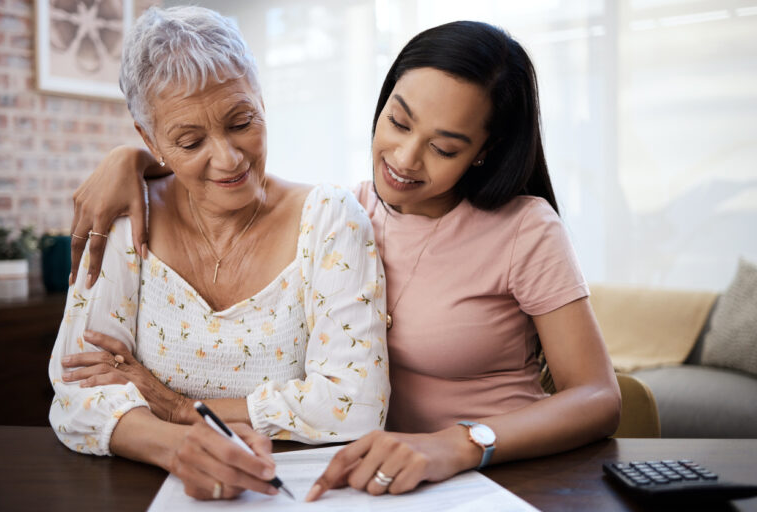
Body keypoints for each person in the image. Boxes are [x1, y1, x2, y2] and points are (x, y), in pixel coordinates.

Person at [69, 18, 620, 501]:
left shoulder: (525, 228)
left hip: (499, 472)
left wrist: (459, 445)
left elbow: (598, 397)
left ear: (485, 151)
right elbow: (229, 165)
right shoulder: (349, 213)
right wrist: (133, 160)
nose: (404, 160)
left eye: (445, 147)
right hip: (377, 475)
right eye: (398, 122)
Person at [48, 5, 389, 501]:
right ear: (149, 140)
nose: (229, 159)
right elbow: (75, 390)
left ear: (262, 101)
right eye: (190, 141)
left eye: (241, 121)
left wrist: (176, 406)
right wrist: (175, 445)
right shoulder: (125, 217)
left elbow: (354, 403)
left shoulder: (330, 218)